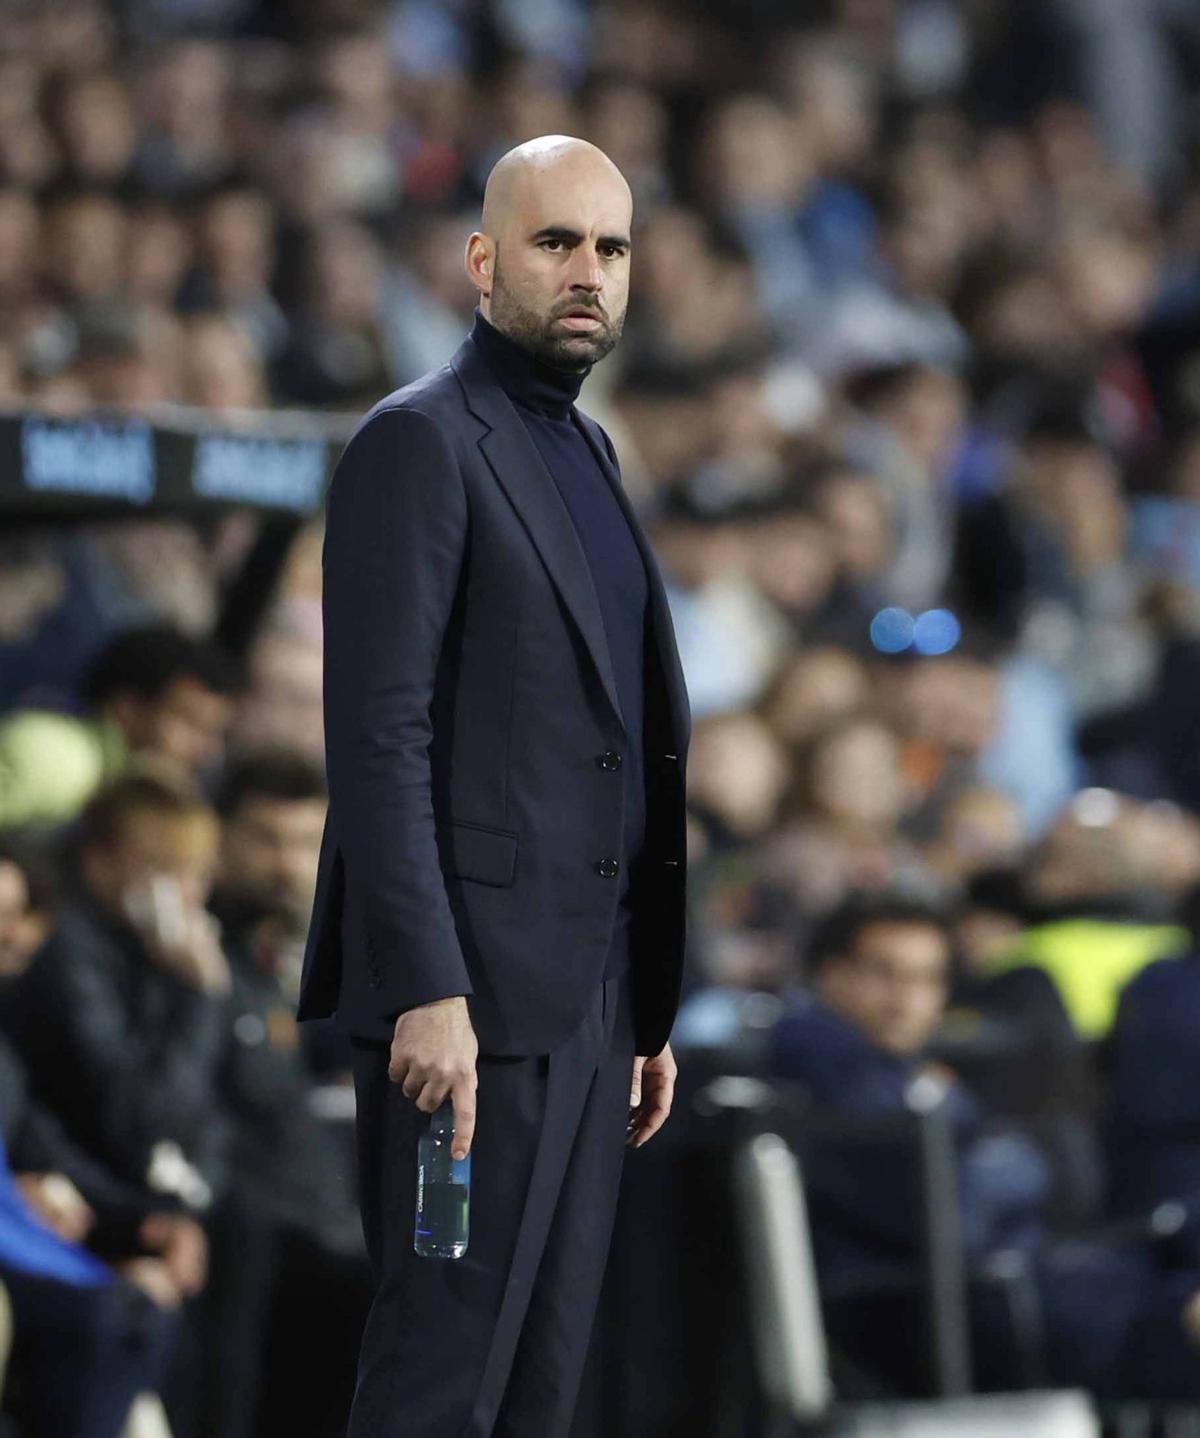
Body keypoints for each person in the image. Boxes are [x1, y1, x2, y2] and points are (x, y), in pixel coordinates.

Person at [299, 134, 691, 1436]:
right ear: (481, 260)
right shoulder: (419, 443)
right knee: (436, 1386)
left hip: (586, 1009)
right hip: (468, 1005)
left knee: (537, 1393)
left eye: (612, 248)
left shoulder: (590, 457)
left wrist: (645, 1001)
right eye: (556, 242)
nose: (589, 272)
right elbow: (378, 738)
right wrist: (425, 983)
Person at [771, 893, 1200, 1401]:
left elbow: (1022, 1171)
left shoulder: (896, 1071)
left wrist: (994, 1159)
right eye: (883, 974)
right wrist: (1001, 1157)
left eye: (928, 979)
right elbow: (957, 1211)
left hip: (1026, 1281)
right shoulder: (827, 1067)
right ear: (829, 973)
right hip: (973, 1311)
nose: (906, 999)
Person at [0, 623, 238, 831]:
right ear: (126, 707)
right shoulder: (57, 760)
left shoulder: (121, 793)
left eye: (212, 732)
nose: (206, 751)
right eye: (190, 722)